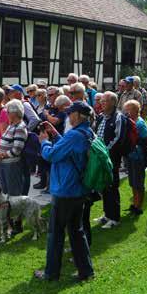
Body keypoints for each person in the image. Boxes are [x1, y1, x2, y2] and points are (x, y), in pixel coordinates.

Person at [34, 101, 94, 282]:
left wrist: (44, 142)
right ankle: (86, 272)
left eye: (70, 113)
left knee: (55, 233)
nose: (68, 116)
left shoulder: (75, 135)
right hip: (78, 189)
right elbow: (68, 151)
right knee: (77, 231)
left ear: (77, 115)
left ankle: (51, 273)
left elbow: (52, 155)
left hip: (65, 190)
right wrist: (56, 134)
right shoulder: (86, 132)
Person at [93, 91, 125, 229]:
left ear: (112, 102)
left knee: (112, 186)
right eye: (101, 101)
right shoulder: (100, 117)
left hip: (110, 158)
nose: (101, 103)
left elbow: (118, 138)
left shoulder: (118, 117)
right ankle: (107, 214)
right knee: (104, 185)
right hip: (100, 157)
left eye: (104, 101)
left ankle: (115, 217)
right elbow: (95, 134)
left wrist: (104, 152)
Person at [0, 99, 28, 197]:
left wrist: (1, 155)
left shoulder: (20, 127)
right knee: (4, 192)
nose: (6, 113)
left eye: (7, 111)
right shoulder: (11, 125)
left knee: (13, 194)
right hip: (4, 163)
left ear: (14, 113)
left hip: (12, 166)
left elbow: (16, 150)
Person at [123, 99, 147, 215]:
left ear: (135, 110)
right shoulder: (130, 121)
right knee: (132, 182)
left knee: (139, 183)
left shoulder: (140, 123)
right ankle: (135, 203)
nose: (126, 112)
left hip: (138, 157)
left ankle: (138, 206)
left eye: (128, 109)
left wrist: (138, 143)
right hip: (130, 156)